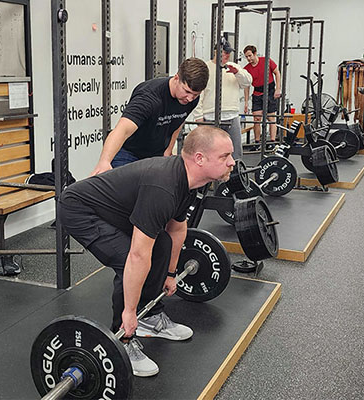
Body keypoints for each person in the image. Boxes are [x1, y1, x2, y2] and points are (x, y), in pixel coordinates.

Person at [59, 126, 235, 377]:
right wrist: (129, 313)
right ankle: (123, 339)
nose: (232, 162)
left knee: (161, 243)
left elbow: (176, 229)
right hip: (80, 209)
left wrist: (171, 273)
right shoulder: (163, 187)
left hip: (113, 210)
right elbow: (137, 256)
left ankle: (150, 317)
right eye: (224, 156)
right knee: (125, 259)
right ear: (199, 159)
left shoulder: (193, 180)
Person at [90, 58, 209, 175]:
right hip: (129, 153)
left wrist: (168, 150)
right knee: (125, 192)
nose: (189, 98)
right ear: (176, 78)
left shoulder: (191, 100)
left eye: (195, 95)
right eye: (186, 91)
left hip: (155, 156)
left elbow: (178, 121)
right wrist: (104, 161)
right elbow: (122, 130)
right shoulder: (149, 97)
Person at [193, 41, 252, 160]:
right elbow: (198, 94)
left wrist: (237, 72)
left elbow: (248, 82)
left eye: (229, 53)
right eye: (225, 52)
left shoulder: (234, 67)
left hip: (232, 116)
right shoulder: (206, 68)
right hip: (210, 117)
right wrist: (199, 117)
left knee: (236, 153)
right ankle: (212, 178)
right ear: (216, 52)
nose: (227, 55)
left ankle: (235, 177)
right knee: (212, 153)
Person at [242, 45, 282, 151]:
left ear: (255, 54)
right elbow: (246, 86)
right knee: (257, 119)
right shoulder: (247, 69)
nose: (249, 59)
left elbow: (277, 73)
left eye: (250, 55)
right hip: (257, 93)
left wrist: (278, 89)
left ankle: (272, 142)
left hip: (270, 91)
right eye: (247, 57)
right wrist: (246, 102)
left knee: (271, 118)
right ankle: (257, 142)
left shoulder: (266, 61)